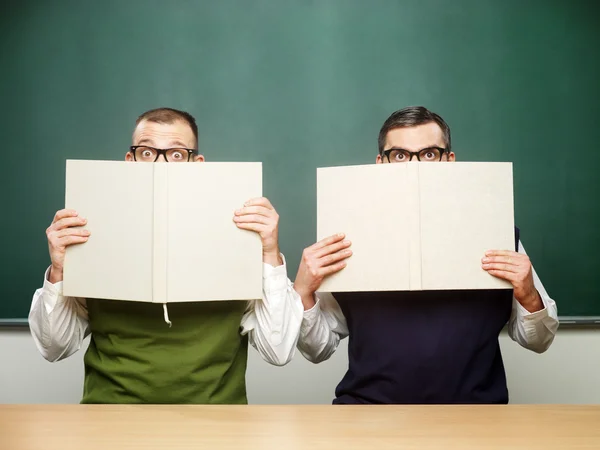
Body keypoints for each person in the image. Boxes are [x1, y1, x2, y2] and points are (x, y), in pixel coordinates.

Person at [29, 107, 303, 404]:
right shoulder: (91, 229)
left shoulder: (240, 236)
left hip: (217, 423)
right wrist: (58, 272)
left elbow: (278, 350)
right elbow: (54, 348)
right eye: (146, 153)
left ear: (196, 163)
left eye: (175, 154)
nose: (159, 166)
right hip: (109, 418)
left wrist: (269, 253)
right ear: (129, 161)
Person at [293, 106, 559, 404]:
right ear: (381, 163)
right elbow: (318, 349)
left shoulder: (496, 233)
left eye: (430, 154)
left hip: (476, 419)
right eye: (401, 156)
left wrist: (528, 295)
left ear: (450, 160)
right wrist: (302, 292)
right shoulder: (347, 239)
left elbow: (539, 341)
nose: (414, 167)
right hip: (368, 415)